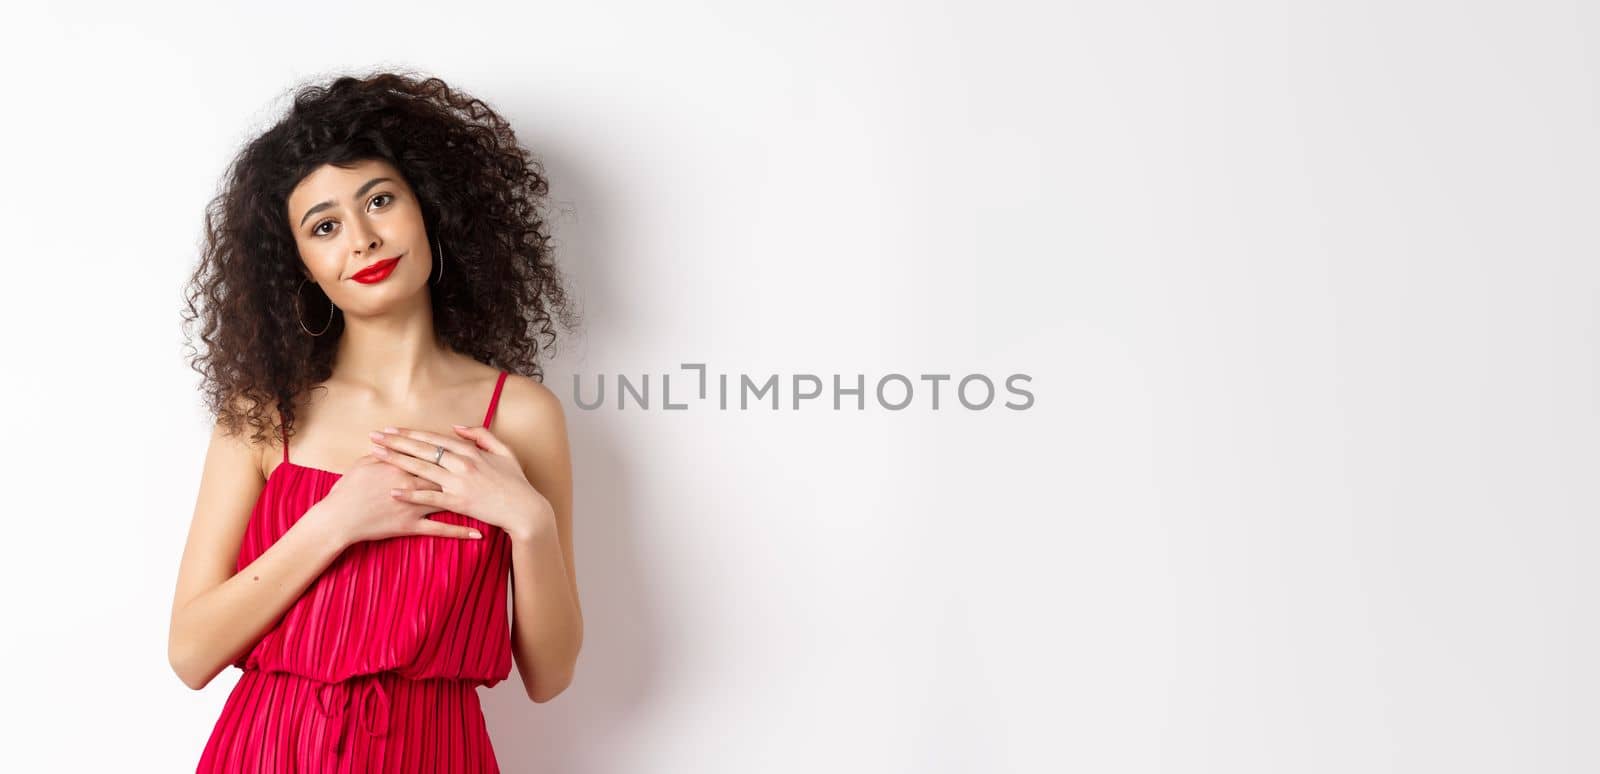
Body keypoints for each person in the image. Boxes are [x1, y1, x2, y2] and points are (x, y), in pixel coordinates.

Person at [169, 70, 585, 772]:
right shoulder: (263, 415)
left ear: (430, 210)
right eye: (324, 226)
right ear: (299, 264)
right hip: (271, 751)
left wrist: (529, 520)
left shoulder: (517, 415)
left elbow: (551, 675)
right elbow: (190, 653)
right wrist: (335, 521)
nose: (361, 239)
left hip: (436, 753)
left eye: (380, 201)